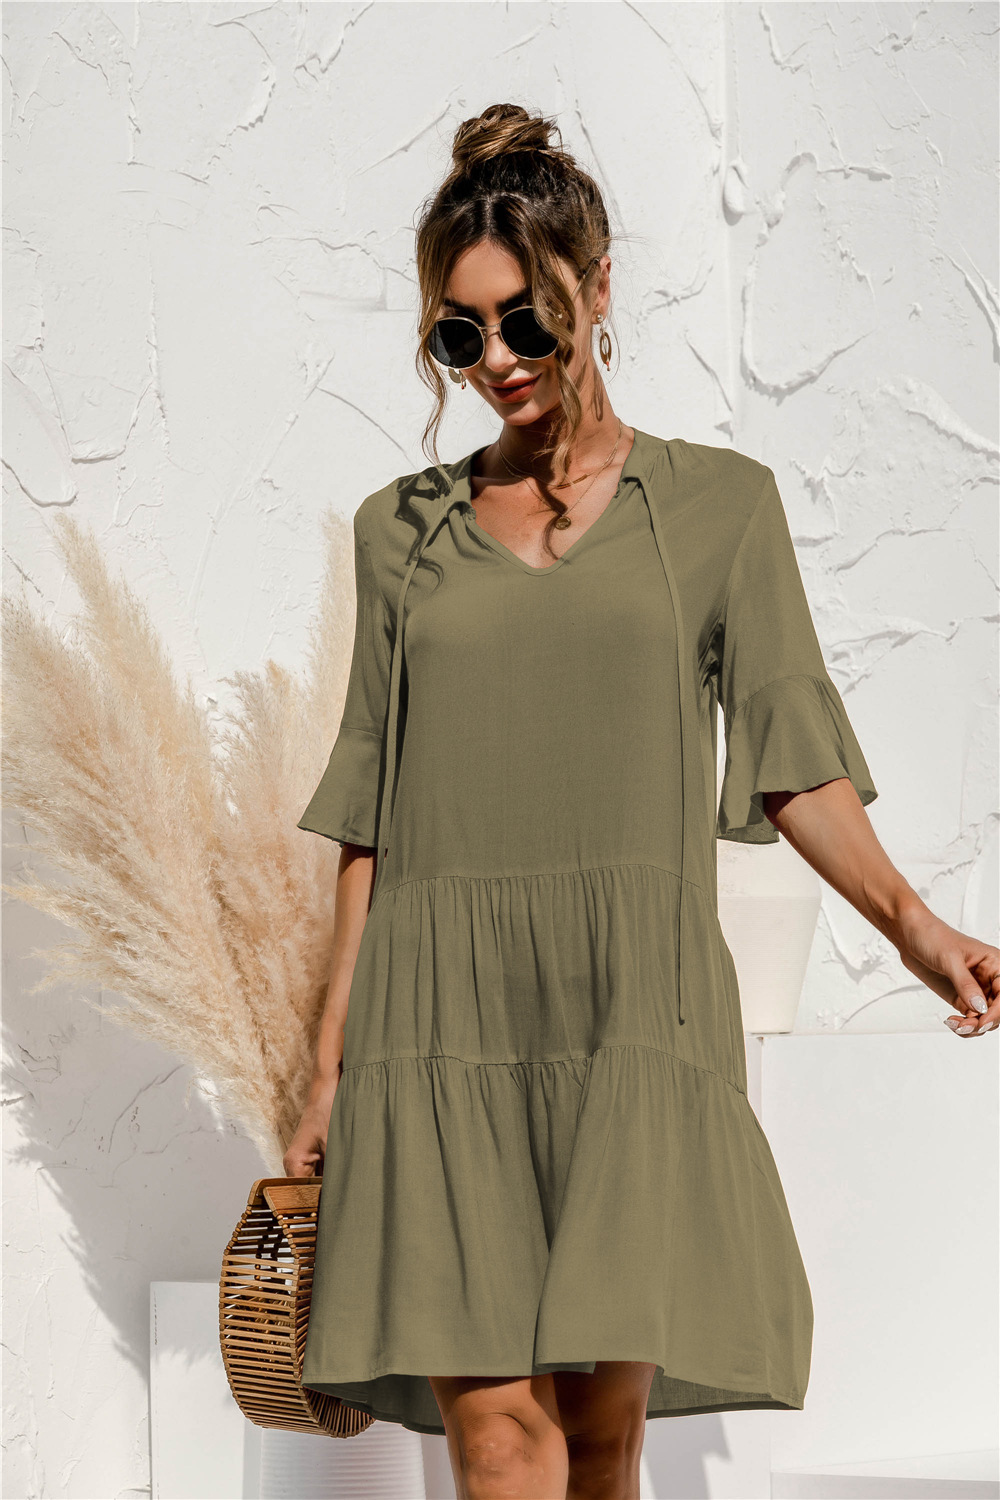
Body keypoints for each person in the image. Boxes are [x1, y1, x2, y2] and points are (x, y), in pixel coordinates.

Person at [283, 102, 1000, 1500]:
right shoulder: (398, 534)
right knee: (499, 1437)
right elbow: (370, 811)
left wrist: (917, 929)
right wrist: (326, 1068)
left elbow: (793, 758)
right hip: (438, 1014)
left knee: (601, 1438)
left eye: (527, 321)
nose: (499, 360)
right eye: (459, 336)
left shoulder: (721, 507)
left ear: (599, 287)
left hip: (632, 1002)